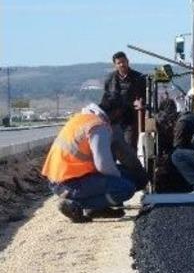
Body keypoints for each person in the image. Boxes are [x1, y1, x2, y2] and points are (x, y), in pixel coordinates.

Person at [42, 95, 146, 223]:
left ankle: (97, 208)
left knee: (128, 177)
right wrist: (120, 179)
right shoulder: (98, 126)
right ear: (118, 112)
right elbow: (103, 165)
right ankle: (75, 204)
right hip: (69, 182)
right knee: (125, 188)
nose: (119, 126)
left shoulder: (84, 117)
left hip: (62, 177)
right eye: (120, 122)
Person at [103, 51, 146, 149]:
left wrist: (141, 103)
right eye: (119, 63)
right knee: (112, 147)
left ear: (128, 61)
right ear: (115, 65)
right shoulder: (109, 79)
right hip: (114, 120)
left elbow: (145, 96)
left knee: (129, 146)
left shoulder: (139, 78)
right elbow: (106, 97)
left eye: (123, 62)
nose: (122, 65)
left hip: (130, 119)